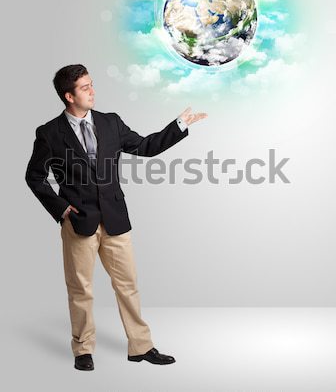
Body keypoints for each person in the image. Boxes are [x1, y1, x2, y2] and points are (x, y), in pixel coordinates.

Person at [25, 64, 207, 371]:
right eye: (85, 87)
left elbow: (146, 147)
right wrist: (61, 210)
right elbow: (35, 177)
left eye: (91, 84)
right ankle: (83, 349)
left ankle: (141, 346)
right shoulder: (49, 134)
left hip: (115, 219)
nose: (92, 91)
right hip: (79, 222)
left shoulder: (111, 122)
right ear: (69, 96)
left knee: (128, 285)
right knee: (81, 289)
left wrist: (178, 124)